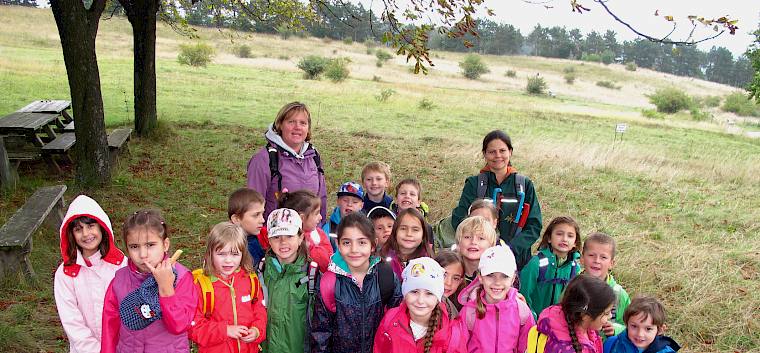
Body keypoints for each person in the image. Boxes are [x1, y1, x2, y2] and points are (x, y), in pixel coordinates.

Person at [101, 210, 197, 353]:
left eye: (150, 245)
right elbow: (110, 325)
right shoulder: (119, 280)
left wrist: (166, 289)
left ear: (165, 244)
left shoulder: (182, 278)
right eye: (134, 247)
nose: (143, 255)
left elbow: (180, 325)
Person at [310, 212, 402, 353]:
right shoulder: (329, 283)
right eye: (347, 242)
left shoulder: (386, 276)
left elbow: (398, 322)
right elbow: (321, 333)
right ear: (338, 245)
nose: (354, 250)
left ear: (373, 245)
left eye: (362, 242)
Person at [450, 130, 542, 270]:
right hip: (478, 261)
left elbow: (534, 225)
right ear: (485, 154)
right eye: (492, 152)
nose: (498, 156)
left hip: (516, 260)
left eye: (502, 150)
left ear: (510, 152)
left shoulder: (524, 185)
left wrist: (510, 248)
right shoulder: (475, 184)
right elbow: (459, 218)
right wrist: (478, 243)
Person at [54, 195, 126, 353]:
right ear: (71, 234)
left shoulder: (121, 265)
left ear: (101, 227)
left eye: (91, 226)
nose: (86, 234)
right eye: (78, 229)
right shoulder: (65, 274)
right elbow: (71, 320)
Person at [189, 222, 267, 353]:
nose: (228, 261)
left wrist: (257, 330)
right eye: (221, 254)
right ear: (210, 254)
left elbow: (259, 310)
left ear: (243, 254)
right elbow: (194, 327)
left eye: (235, 254)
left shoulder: (250, 280)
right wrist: (225, 330)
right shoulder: (201, 286)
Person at [247, 101, 327, 223]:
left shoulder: (313, 157)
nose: (297, 127)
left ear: (308, 128)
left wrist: (320, 234)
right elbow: (253, 205)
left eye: (303, 123)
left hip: (310, 237)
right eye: (291, 122)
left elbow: (321, 199)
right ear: (280, 125)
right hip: (277, 238)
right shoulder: (263, 160)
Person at [373, 257, 468, 353]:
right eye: (414, 291)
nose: (420, 300)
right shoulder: (390, 320)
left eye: (429, 293)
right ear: (405, 293)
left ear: (438, 298)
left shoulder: (452, 334)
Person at [457, 246, 535, 353]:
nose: (497, 282)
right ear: (480, 277)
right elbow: (458, 346)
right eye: (490, 275)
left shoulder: (521, 310)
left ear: (513, 278)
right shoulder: (469, 312)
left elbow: (528, 347)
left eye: (504, 276)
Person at [260, 208, 312, 353]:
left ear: (300, 237)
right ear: (269, 240)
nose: (283, 242)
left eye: (289, 235)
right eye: (277, 237)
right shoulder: (261, 272)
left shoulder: (312, 276)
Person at [520, 216, 582, 319]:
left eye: (570, 236)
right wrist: (533, 318)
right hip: (534, 323)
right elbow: (524, 294)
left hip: (559, 324)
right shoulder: (536, 264)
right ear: (549, 238)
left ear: (575, 242)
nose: (564, 239)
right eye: (559, 234)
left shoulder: (575, 269)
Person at [537, 274, 616, 353]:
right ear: (585, 315)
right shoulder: (564, 349)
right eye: (606, 313)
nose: (610, 316)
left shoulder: (584, 324)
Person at [581, 232, 630, 339]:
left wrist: (616, 329)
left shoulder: (619, 294)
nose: (596, 261)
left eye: (603, 257)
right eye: (591, 255)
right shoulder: (573, 287)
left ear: (611, 263)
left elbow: (630, 324)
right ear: (582, 258)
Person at [279, 190, 333, 272]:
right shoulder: (285, 240)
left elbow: (328, 263)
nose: (321, 217)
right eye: (316, 213)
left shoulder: (318, 234)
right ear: (302, 218)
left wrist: (310, 247)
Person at [604, 296, 681, 353]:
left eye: (648, 329)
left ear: (660, 330)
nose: (640, 334)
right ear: (626, 323)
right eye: (634, 326)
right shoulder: (612, 344)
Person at [381, 208, 433, 280]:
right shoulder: (381, 260)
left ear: (423, 235)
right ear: (395, 232)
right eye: (403, 228)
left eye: (415, 230)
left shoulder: (430, 264)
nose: (409, 234)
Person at [454, 216, 498, 286]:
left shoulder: (498, 275)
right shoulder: (449, 270)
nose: (473, 242)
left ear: (491, 245)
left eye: (481, 238)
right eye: (467, 237)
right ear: (458, 243)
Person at [228, 188, 267, 266]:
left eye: (262, 214)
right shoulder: (233, 249)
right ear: (236, 219)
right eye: (256, 215)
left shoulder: (252, 237)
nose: (262, 220)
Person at [433, 250, 464, 318]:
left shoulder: (458, 309)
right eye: (443, 275)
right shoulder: (420, 304)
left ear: (460, 281)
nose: (448, 283)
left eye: (455, 278)